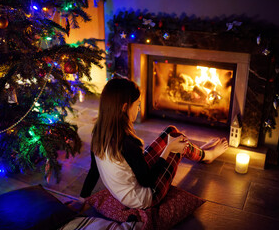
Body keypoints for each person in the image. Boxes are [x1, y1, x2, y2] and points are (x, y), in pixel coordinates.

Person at [79, 77, 228, 209]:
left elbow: (94, 170)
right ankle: (207, 155)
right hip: (146, 197)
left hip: (127, 188)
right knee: (175, 142)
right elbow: (148, 181)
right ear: (124, 108)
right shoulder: (128, 143)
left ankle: (197, 152)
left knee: (171, 131)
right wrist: (168, 149)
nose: (138, 109)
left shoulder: (98, 133)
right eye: (137, 105)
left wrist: (83, 197)